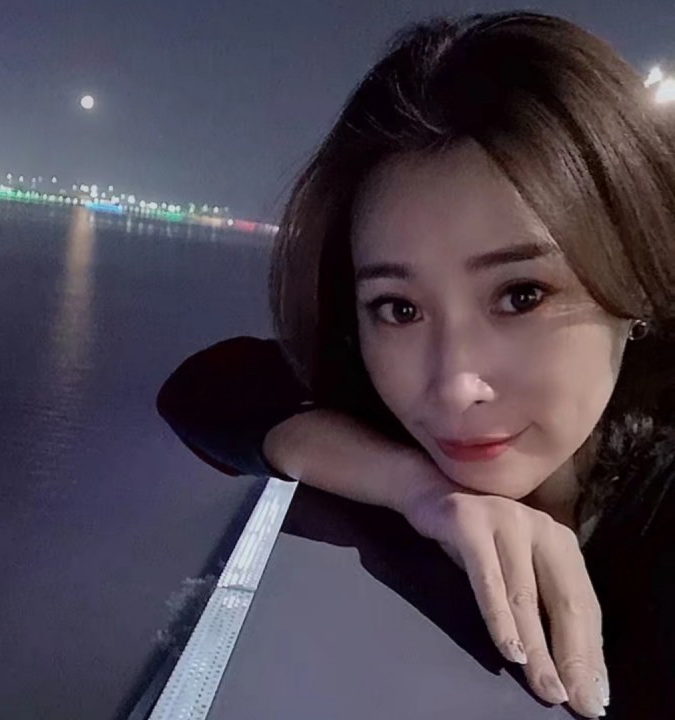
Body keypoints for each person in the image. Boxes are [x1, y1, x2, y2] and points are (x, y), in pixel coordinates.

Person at [157, 10, 675, 720]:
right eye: (399, 308)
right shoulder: (386, 420)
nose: (455, 386)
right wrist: (416, 489)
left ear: (636, 282)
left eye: (521, 295)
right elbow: (206, 390)